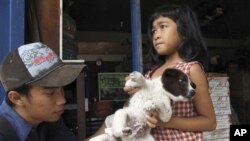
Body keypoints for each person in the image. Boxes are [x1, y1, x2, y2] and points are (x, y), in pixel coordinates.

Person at [86, 4, 216, 141]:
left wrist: (165, 121)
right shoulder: (150, 73)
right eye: (154, 31)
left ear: (184, 32)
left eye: (163, 26)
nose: (156, 35)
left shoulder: (191, 69)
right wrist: (134, 90)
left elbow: (209, 122)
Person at [0, 42, 86, 141]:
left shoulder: (48, 119)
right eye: (50, 93)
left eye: (62, 89)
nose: (62, 100)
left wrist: (106, 125)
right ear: (16, 98)